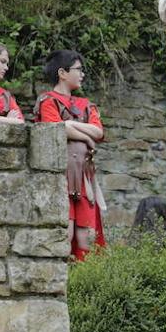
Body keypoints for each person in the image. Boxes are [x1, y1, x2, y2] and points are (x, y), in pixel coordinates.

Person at [34, 50, 106, 260]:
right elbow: (56, 129)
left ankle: (87, 285)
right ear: (62, 73)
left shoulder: (86, 104)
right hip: (60, 177)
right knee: (63, 233)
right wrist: (82, 133)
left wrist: (69, 125)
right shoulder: (48, 100)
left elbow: (98, 132)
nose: (82, 74)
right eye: (78, 69)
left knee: (88, 237)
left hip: (84, 177)